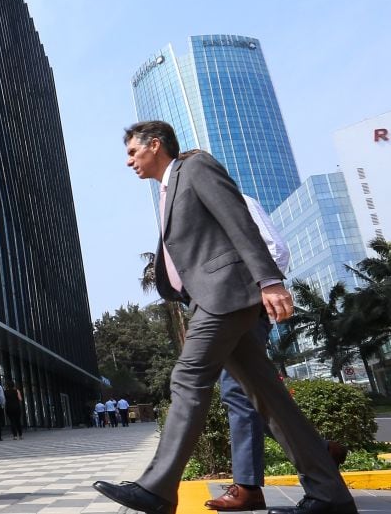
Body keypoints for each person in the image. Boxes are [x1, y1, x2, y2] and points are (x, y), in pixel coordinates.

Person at [94, 121, 355, 514]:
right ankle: (328, 494)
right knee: (269, 399)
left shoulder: (194, 167)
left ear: (155, 144)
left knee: (187, 377)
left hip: (226, 294)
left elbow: (239, 221)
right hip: (208, 299)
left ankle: (157, 490)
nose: (129, 160)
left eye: (133, 151)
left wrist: (269, 280)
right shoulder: (168, 190)